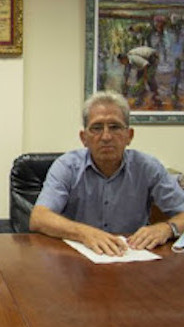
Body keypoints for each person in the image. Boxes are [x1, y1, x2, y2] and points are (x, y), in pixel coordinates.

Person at [30, 90, 184, 256]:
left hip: (131, 256)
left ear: (129, 136)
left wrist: (168, 228)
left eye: (115, 127)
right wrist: (85, 233)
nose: (106, 136)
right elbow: (39, 218)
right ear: (84, 138)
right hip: (76, 258)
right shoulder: (66, 166)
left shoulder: (148, 167)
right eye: (97, 128)